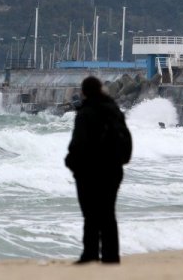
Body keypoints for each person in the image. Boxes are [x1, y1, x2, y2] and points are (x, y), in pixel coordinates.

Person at [65, 76, 131, 264]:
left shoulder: (86, 113)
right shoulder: (114, 110)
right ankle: (111, 256)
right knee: (108, 213)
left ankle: (91, 253)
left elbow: (79, 143)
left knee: (91, 213)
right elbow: (126, 138)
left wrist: (71, 163)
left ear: (84, 92)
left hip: (90, 171)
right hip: (114, 169)